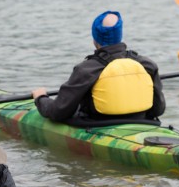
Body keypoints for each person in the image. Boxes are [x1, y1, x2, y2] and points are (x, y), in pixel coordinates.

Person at [31, 11, 165, 123]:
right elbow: (158, 110)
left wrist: (41, 98)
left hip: (97, 125)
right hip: (142, 122)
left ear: (95, 39)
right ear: (120, 35)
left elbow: (58, 112)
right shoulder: (147, 65)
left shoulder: (86, 70)